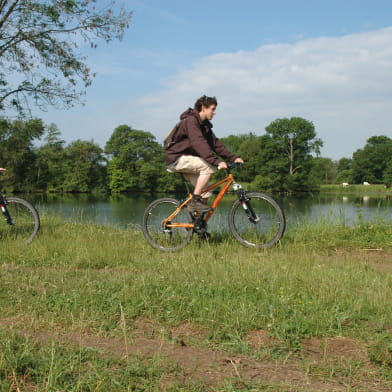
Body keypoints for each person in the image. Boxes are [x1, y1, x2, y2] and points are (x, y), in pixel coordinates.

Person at [166, 95, 244, 212]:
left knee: (206, 192)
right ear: (203, 108)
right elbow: (199, 143)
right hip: (177, 158)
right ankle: (195, 201)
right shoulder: (191, 121)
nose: (215, 112)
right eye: (213, 109)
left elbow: (216, 144)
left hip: (187, 159)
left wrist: (233, 158)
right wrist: (217, 161)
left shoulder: (204, 125)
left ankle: (197, 226)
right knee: (209, 166)